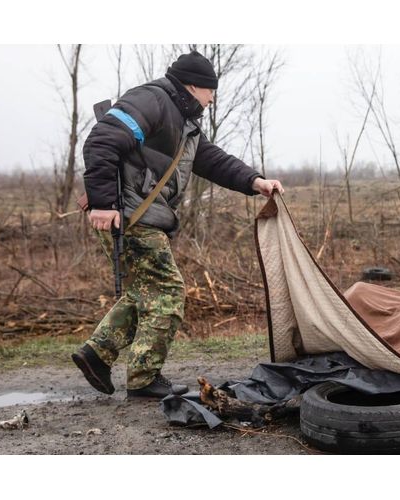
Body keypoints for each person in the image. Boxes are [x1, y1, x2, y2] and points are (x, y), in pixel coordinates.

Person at [72, 50, 284, 399]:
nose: (213, 99)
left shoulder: (183, 122)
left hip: (140, 215)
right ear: (193, 86)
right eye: (210, 91)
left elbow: (212, 160)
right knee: (167, 291)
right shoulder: (152, 99)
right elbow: (101, 141)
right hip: (129, 215)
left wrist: (254, 181)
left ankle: (97, 354)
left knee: (146, 292)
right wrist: (103, 203)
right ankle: (143, 378)